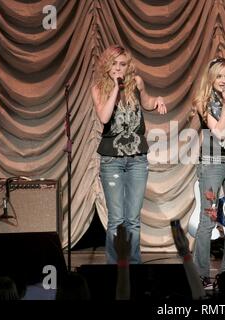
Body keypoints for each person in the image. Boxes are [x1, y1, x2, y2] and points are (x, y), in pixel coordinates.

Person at [92, 45, 167, 264]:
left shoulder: (137, 83)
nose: (118, 68)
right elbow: (105, 118)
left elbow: (146, 103)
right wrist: (116, 87)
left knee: (133, 220)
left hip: (137, 159)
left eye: (122, 64)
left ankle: (133, 270)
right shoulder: (98, 87)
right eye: (114, 63)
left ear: (128, 65)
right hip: (111, 161)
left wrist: (157, 101)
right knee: (116, 219)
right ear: (107, 65)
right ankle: (113, 269)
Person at [192, 57, 225, 287]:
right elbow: (220, 133)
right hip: (212, 165)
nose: (224, 81)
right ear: (212, 79)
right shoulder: (204, 101)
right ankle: (200, 275)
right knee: (208, 221)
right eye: (220, 76)